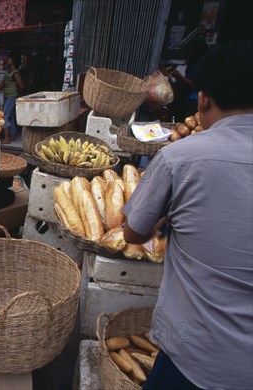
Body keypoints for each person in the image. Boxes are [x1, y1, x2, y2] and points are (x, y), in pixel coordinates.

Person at [123, 40, 253, 390]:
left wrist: (164, 221)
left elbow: (133, 233)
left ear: (203, 99)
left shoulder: (180, 158)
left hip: (195, 363)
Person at [0, 52, 24, 144]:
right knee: (10, 116)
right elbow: (3, 83)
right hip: (7, 96)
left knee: (4, 115)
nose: (7, 60)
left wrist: (16, 93)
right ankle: (13, 135)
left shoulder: (15, 73)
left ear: (13, 60)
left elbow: (21, 86)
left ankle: (6, 138)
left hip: (12, 96)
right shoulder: (8, 71)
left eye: (9, 58)